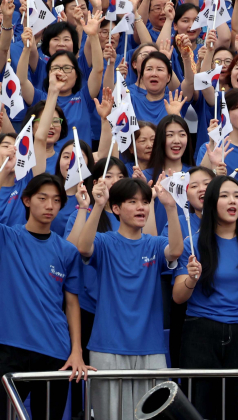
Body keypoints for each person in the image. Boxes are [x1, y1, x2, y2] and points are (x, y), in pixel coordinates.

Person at [71, 176, 184, 420]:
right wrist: (97, 204)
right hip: (107, 345)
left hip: (151, 346)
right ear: (116, 208)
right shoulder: (105, 241)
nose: (141, 207)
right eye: (132, 202)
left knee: (153, 416)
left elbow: (175, 250)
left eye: (145, 202)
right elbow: (83, 247)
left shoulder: (154, 244)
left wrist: (170, 207)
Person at [173, 176, 238, 420]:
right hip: (201, 333)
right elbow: (178, 296)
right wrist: (192, 279)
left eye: (237, 196)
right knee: (200, 407)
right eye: (225, 196)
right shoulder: (193, 243)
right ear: (211, 203)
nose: (232, 201)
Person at [0, 175, 90, 420]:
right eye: (42, 198)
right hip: (10, 348)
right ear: (27, 200)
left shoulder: (67, 251)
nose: (50, 205)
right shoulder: (7, 238)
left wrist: (76, 351)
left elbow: (72, 304)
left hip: (54, 351)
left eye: (56, 200)